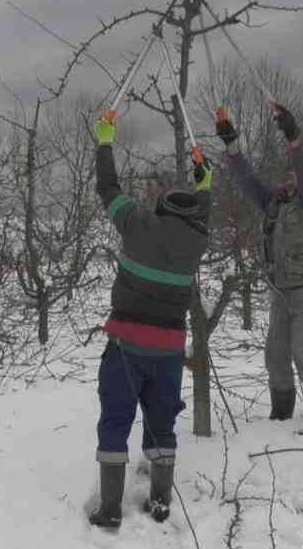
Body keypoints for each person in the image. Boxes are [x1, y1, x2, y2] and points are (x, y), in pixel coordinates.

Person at [88, 113, 212, 529]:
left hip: (125, 346)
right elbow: (204, 207)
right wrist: (205, 181)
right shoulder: (197, 242)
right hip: (168, 353)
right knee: (161, 426)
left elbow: (109, 189)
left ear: (159, 208)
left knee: (114, 422)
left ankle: (109, 508)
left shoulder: (136, 224)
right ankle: (160, 501)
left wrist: (105, 142)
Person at [216, 103, 303, 435]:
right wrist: (232, 147)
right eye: (287, 173)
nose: (290, 177)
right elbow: (247, 180)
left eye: (295, 172)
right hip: (280, 290)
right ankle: (282, 414)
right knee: (276, 353)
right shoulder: (273, 204)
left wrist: (293, 137)